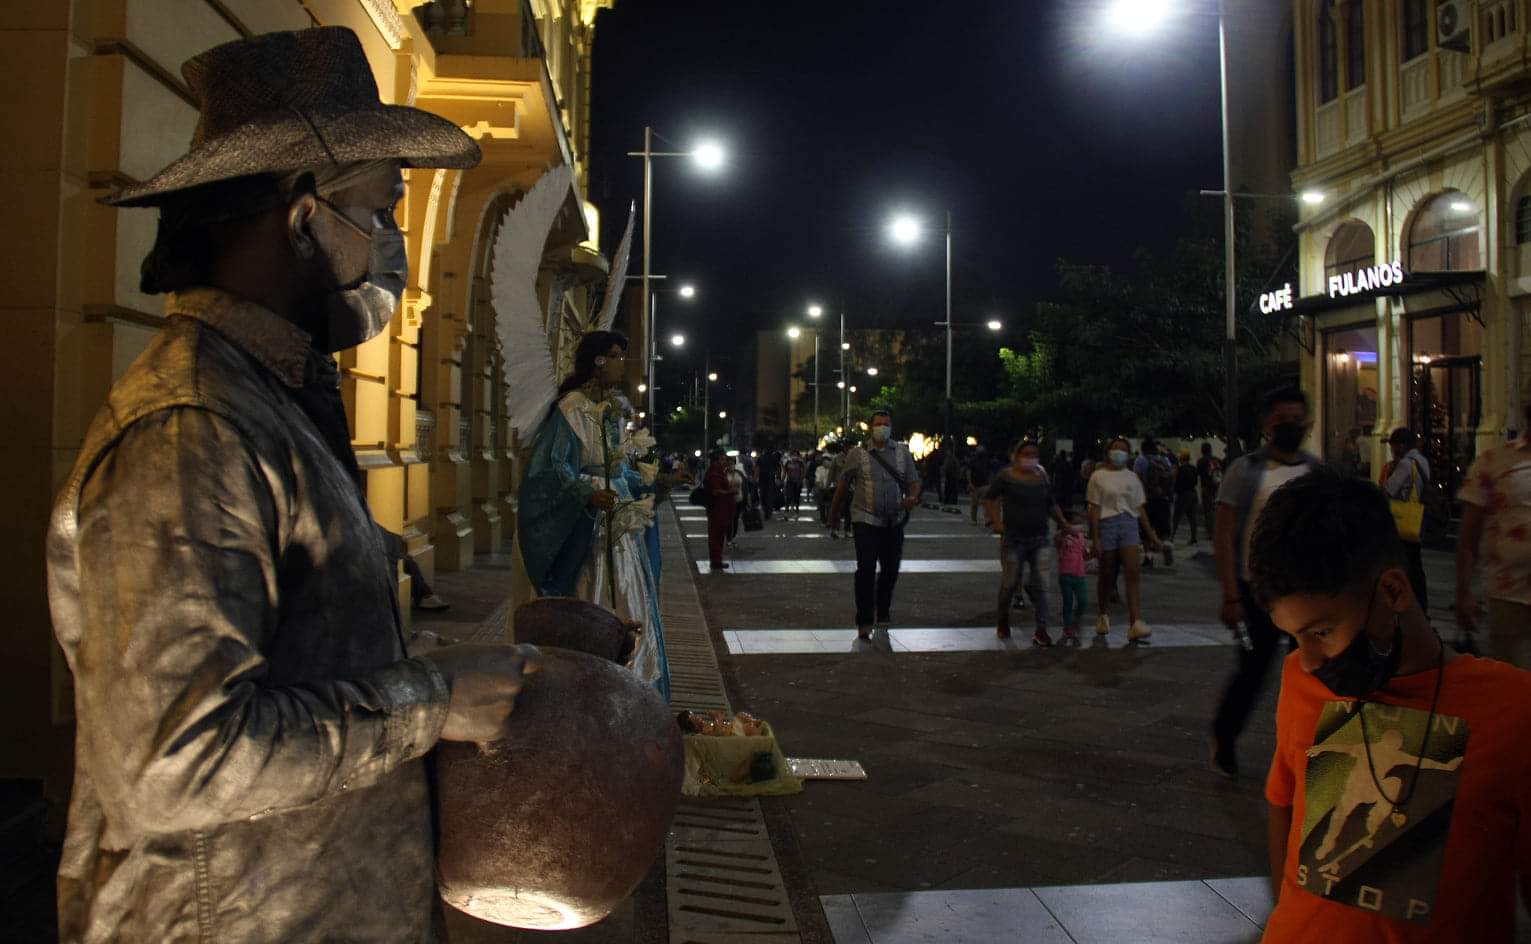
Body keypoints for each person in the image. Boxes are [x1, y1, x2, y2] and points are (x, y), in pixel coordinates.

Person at [42, 28, 544, 942]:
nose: (393, 245)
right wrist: (430, 703)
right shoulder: (193, 427)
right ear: (306, 216)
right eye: (383, 209)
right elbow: (174, 764)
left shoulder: (271, 398)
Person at [1248, 468, 1531, 943]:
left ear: (1393, 591)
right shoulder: (1300, 678)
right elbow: (1284, 802)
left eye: (1320, 631)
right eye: (1294, 638)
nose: (1310, 660)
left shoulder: (1513, 710)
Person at [518, 330, 676, 698]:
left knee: (630, 596)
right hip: (589, 532)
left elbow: (621, 471)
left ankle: (633, 690)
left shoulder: (614, 410)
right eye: (619, 356)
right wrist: (587, 493)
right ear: (599, 361)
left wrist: (657, 482)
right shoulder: (571, 409)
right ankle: (591, 689)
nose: (624, 364)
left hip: (620, 528)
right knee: (594, 599)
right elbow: (554, 468)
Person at [1210, 386, 1321, 778]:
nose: (1290, 427)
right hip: (1256, 591)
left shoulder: (1316, 471)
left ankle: (1304, 747)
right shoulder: (1245, 471)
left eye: (1296, 420)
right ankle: (1225, 732)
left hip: (1305, 591)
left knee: (1311, 672)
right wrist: (1230, 595)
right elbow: (1223, 535)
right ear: (1266, 426)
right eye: (1281, 421)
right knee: (1253, 670)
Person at [831, 411, 922, 639]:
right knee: (866, 569)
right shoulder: (857, 454)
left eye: (886, 424)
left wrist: (912, 497)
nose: (883, 427)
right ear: (871, 428)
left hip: (894, 521)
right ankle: (864, 619)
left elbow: (914, 482)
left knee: (890, 570)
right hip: (865, 519)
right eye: (879, 424)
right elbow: (843, 484)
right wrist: (834, 512)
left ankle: (882, 609)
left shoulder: (902, 453)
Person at [1456, 403, 1531, 669]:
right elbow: (1468, 536)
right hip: (1510, 596)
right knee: (1516, 686)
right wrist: (1463, 591)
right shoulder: (1494, 462)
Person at [984, 440, 1072, 645]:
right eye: (1026, 453)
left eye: (1034, 453)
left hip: (1040, 538)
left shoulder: (1041, 476)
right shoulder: (1006, 476)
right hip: (1013, 538)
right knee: (1009, 582)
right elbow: (990, 498)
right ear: (1016, 455)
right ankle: (1003, 621)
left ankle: (1042, 629)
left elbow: (1050, 504)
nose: (1030, 457)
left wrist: (1064, 524)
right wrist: (997, 522)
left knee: (1042, 583)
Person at [1086, 437, 1164, 641]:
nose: (1119, 452)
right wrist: (1095, 538)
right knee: (1107, 573)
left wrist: (1152, 535)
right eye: (1115, 448)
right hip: (1107, 523)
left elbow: (1140, 508)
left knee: (1132, 572)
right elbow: (1094, 508)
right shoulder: (1098, 476)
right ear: (1108, 452)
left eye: (1123, 449)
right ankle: (1103, 614)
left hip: (1129, 524)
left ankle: (1135, 621)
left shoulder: (1132, 477)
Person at [1380, 427, 1432, 614]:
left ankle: (1406, 605)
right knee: (1415, 563)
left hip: (1402, 520)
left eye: (1393, 446)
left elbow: (1389, 490)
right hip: (1417, 518)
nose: (1392, 450)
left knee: (1402, 563)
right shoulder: (1422, 461)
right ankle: (1420, 604)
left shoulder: (1405, 464)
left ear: (1401, 446)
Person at [1134, 438, 1176, 566]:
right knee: (1164, 529)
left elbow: (1137, 479)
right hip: (1163, 499)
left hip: (1146, 500)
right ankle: (1167, 546)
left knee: (1145, 529)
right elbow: (1171, 478)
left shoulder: (1140, 460)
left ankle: (1148, 557)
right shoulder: (1164, 460)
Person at [1056, 510, 1092, 640]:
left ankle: (1076, 621)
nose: (1078, 527)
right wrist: (1066, 530)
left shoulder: (1082, 538)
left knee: (1083, 601)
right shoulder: (1062, 537)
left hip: (1080, 575)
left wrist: (1092, 553)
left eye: (1080, 524)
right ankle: (1067, 627)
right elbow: (1057, 539)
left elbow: (1086, 555)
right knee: (1068, 602)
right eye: (1075, 524)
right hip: (1065, 575)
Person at [703, 450, 736, 572]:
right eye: (723, 459)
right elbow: (716, 491)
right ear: (717, 460)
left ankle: (717, 560)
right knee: (716, 536)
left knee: (720, 536)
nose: (725, 462)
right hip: (717, 509)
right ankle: (716, 561)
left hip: (722, 510)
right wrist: (730, 492)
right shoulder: (714, 472)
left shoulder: (720, 472)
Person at [1171, 449, 1200, 545]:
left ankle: (1171, 537)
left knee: (1176, 517)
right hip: (1193, 493)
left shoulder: (1181, 469)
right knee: (1192, 517)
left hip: (1183, 494)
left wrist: (1174, 491)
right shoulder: (1193, 468)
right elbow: (1196, 481)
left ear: (1181, 458)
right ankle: (1194, 537)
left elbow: (1177, 482)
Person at [1196, 442, 1223, 536]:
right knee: (1216, 509)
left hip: (1206, 488)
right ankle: (1218, 529)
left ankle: (1210, 531)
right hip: (1217, 487)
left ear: (1202, 450)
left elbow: (1199, 475)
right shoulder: (1217, 459)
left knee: (1208, 510)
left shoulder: (1201, 461)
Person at [968, 445, 992, 524]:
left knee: (986, 503)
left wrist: (990, 482)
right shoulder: (973, 461)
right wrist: (970, 483)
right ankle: (973, 519)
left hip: (985, 484)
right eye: (979, 450)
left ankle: (987, 519)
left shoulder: (986, 460)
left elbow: (990, 472)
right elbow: (969, 472)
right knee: (974, 504)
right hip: (975, 484)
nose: (981, 452)